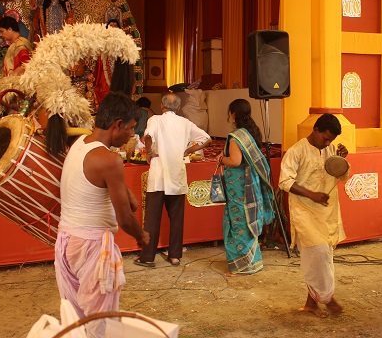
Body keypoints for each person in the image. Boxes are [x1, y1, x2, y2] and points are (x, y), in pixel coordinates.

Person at [54, 92, 150, 338]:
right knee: (100, 319)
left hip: (67, 241)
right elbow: (125, 219)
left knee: (75, 315)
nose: (132, 135)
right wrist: (141, 236)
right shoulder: (109, 160)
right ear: (117, 124)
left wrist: (127, 192)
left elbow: (98, 180)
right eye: (130, 129)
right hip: (91, 246)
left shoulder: (81, 144)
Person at [278, 113, 348, 318]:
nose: (327, 143)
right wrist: (311, 194)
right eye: (325, 138)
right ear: (315, 130)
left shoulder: (330, 150)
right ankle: (327, 298)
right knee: (317, 255)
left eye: (331, 140)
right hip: (305, 211)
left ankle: (311, 303)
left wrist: (341, 160)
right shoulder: (296, 151)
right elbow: (285, 182)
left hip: (326, 213)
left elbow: (341, 175)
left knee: (323, 256)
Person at [135, 92, 211, 267]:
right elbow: (206, 139)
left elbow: (148, 136)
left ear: (162, 106)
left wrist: (148, 153)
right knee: (176, 218)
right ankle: (175, 255)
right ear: (178, 108)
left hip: (159, 175)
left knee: (152, 219)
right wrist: (188, 151)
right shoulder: (185, 123)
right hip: (176, 174)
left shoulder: (155, 120)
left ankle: (148, 257)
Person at [216, 99, 275, 276]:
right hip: (249, 186)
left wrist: (221, 159)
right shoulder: (250, 133)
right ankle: (252, 262)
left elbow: (235, 161)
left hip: (239, 189)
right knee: (247, 222)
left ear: (233, 114)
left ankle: (242, 266)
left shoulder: (236, 136)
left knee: (239, 224)